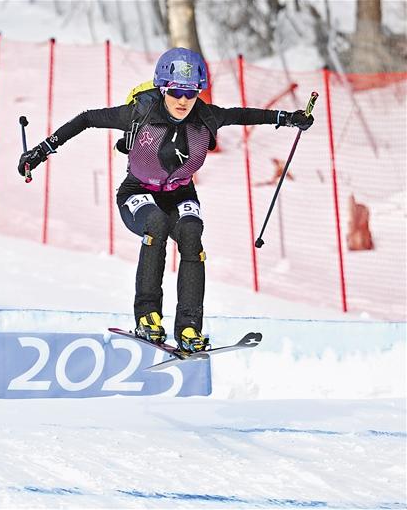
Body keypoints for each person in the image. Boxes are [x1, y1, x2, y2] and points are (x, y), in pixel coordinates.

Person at [16, 47, 314, 353]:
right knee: (156, 223)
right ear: (162, 89)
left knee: (191, 233)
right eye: (175, 92)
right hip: (137, 191)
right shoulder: (140, 113)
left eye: (191, 93)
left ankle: (189, 326)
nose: (183, 101)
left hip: (180, 193)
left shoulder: (206, 117)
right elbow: (87, 119)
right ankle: (148, 317)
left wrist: (289, 118)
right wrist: (40, 151)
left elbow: (244, 115)